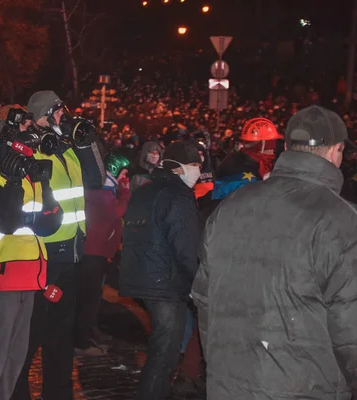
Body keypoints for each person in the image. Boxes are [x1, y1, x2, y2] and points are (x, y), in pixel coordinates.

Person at [192, 105, 357, 400]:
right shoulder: (343, 221)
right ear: (335, 152)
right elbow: (351, 326)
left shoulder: (231, 207)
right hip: (306, 388)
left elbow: (204, 301)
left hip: (230, 385)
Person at [11, 91, 105, 400]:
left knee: (61, 336)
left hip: (72, 254)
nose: (65, 115)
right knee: (34, 332)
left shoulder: (67, 147)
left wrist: (85, 140)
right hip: (45, 256)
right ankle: (14, 391)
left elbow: (97, 178)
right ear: (41, 118)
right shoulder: (32, 149)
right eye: (58, 111)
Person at [0, 105, 63, 400]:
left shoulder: (29, 171)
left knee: (14, 359)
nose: (30, 132)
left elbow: (50, 223)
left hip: (31, 276)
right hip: (3, 273)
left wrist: (42, 180)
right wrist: (11, 177)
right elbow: (6, 222)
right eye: (22, 127)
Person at [120, 141, 202, 400]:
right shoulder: (178, 195)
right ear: (179, 168)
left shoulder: (147, 190)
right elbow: (186, 245)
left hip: (145, 276)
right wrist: (199, 281)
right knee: (164, 356)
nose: (198, 171)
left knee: (160, 351)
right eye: (195, 166)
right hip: (166, 282)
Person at [74, 152, 131, 356]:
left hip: (97, 250)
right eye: (124, 171)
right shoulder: (101, 189)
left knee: (93, 296)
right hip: (92, 251)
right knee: (87, 298)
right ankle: (81, 341)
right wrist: (125, 193)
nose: (126, 176)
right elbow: (115, 211)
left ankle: (89, 332)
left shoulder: (105, 187)